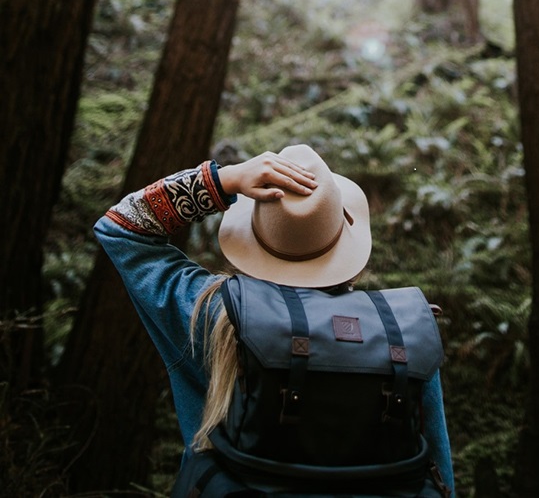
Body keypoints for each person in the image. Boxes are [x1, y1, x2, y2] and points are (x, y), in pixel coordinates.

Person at [94, 144, 454, 496]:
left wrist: (224, 180)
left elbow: (123, 228)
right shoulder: (402, 329)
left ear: (254, 237)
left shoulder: (214, 315)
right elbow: (436, 468)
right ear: (344, 237)